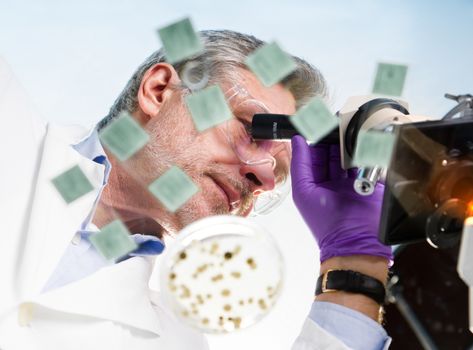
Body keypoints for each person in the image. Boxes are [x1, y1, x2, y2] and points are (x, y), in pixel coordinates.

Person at [0, 30, 391, 349]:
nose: (265, 178)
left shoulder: (177, 340)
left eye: (279, 171)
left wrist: (355, 265)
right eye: (252, 129)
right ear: (157, 90)